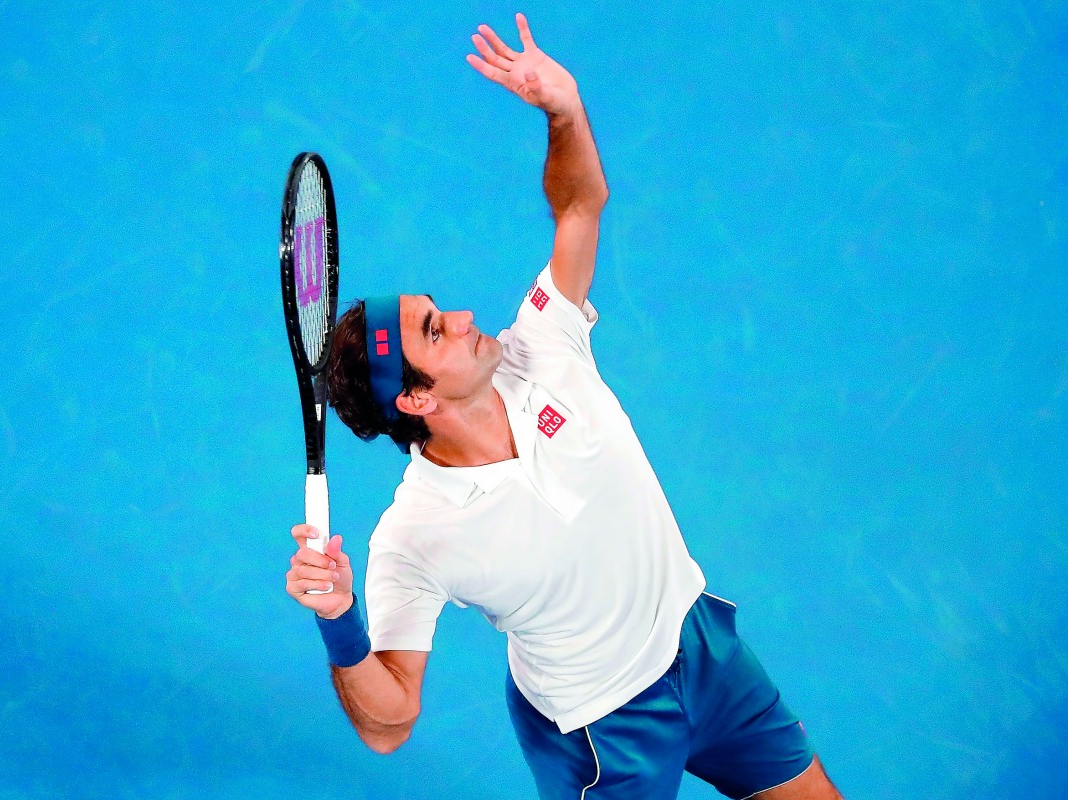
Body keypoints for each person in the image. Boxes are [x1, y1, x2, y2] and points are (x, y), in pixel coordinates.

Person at [285, 14, 842, 800]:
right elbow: (390, 722)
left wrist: (564, 110)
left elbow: (579, 208)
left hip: (702, 649)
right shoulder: (415, 537)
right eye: (437, 331)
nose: (468, 319)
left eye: (442, 308)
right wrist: (340, 620)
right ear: (414, 397)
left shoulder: (539, 343)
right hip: (605, 729)